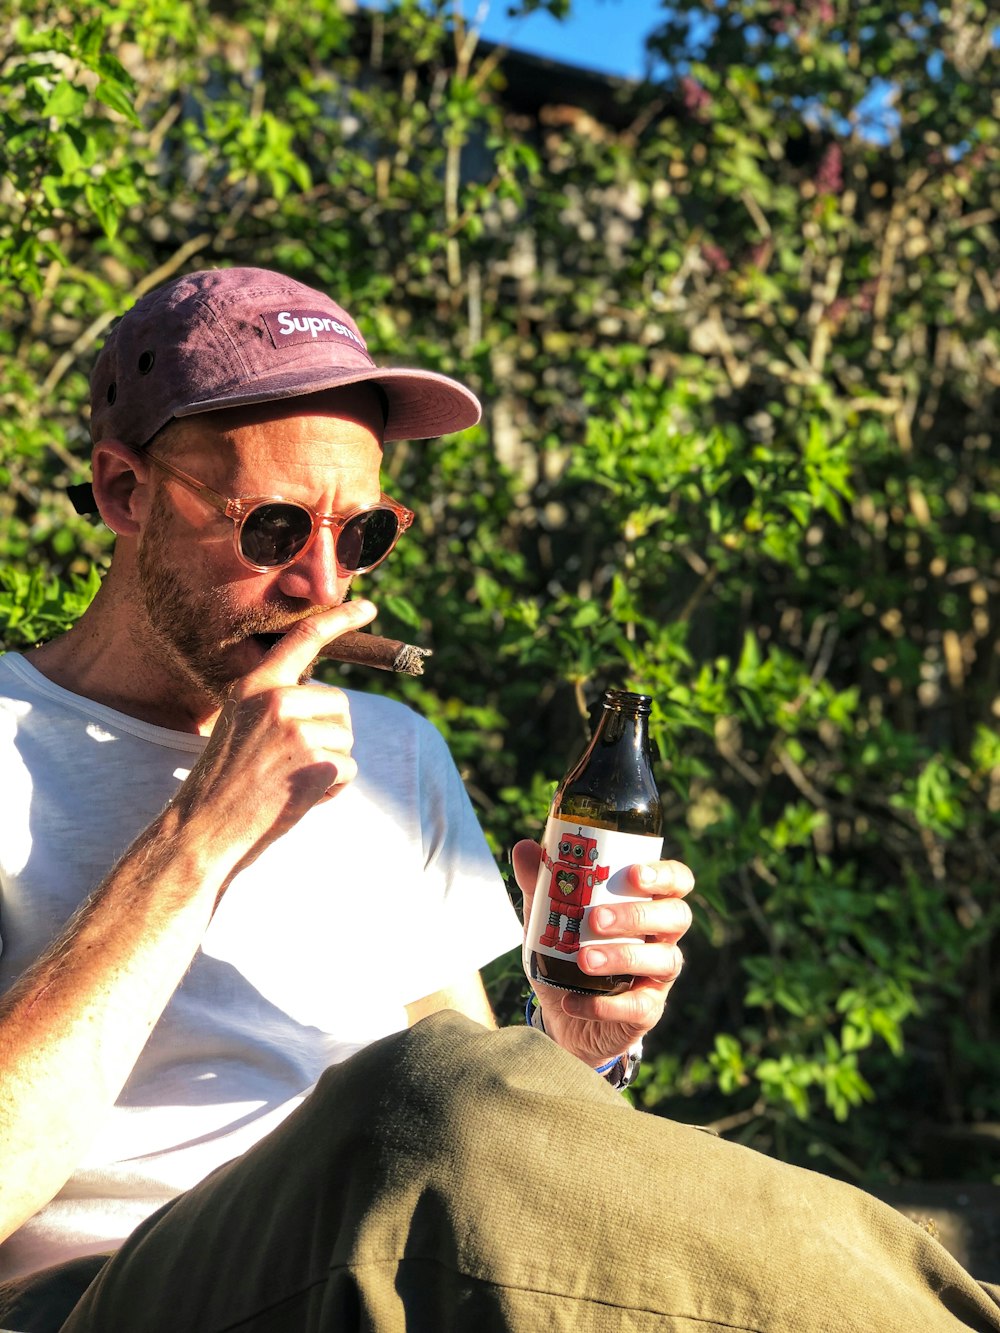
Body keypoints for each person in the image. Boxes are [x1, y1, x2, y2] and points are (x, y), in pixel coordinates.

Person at [0, 266, 695, 1329]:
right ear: (122, 491)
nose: (328, 589)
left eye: (361, 535)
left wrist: (580, 1044)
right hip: (100, 1297)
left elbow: (473, 1121)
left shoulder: (390, 751)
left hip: (388, 1286)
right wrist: (199, 834)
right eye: (275, 528)